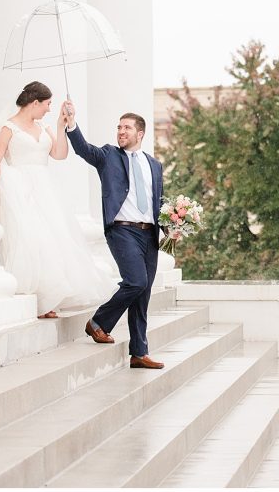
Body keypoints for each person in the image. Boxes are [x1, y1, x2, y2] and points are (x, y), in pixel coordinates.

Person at [0, 82, 118, 319]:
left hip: (46, 191)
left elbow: (59, 154)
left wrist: (60, 125)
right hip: (19, 190)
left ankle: (50, 297)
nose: (49, 109)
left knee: (53, 239)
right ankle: (38, 298)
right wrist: (13, 185)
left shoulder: (44, 127)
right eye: (47, 104)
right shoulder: (9, 128)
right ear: (35, 102)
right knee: (32, 240)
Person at [64, 100, 166, 369]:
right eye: (119, 127)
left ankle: (139, 353)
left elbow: (159, 200)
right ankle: (98, 322)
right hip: (122, 231)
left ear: (140, 133)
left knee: (142, 293)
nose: (121, 131)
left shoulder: (154, 165)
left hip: (149, 234)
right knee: (135, 282)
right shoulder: (109, 156)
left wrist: (172, 226)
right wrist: (72, 123)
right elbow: (84, 150)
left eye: (127, 127)